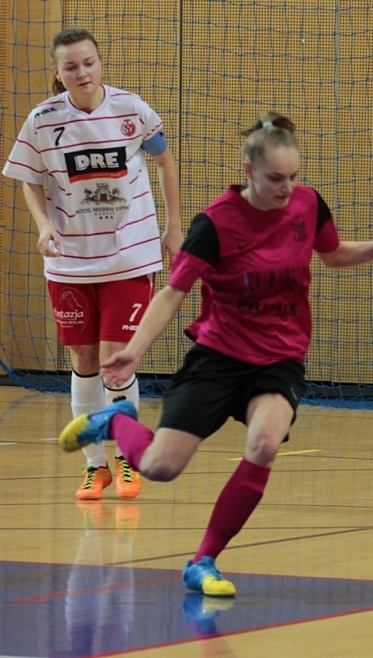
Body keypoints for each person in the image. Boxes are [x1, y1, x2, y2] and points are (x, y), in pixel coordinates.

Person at [58, 110, 373, 597]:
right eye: (275, 178)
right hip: (219, 356)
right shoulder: (215, 224)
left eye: (293, 177)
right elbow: (172, 293)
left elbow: (334, 255)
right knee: (161, 467)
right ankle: (117, 420)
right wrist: (133, 352)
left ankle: (203, 560)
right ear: (249, 171)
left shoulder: (308, 205)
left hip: (278, 359)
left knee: (265, 444)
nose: (286, 188)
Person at [2, 28, 182, 501]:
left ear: (99, 64)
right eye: (70, 67)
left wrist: (173, 227)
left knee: (114, 362)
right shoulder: (43, 120)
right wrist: (44, 225)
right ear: (58, 73)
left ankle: (127, 459)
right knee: (83, 360)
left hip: (129, 256)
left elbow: (166, 163)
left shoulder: (131, 109)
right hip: (71, 262)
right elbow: (29, 180)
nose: (81, 73)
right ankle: (95, 466)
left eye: (88, 63)